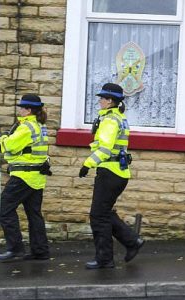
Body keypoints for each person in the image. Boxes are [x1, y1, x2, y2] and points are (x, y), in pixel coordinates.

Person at [79, 82, 144, 269]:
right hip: (118, 172)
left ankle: (104, 259)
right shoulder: (118, 117)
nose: (99, 101)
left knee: (98, 216)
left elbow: (105, 149)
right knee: (104, 213)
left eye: (102, 98)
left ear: (110, 101)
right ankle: (132, 242)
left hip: (109, 172)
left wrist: (87, 164)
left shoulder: (109, 120)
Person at [0, 94, 51, 261]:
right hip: (36, 177)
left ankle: (15, 249)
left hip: (23, 176)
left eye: (21, 107)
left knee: (5, 209)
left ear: (28, 110)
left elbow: (9, 146)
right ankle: (40, 250)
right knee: (34, 213)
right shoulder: (40, 126)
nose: (19, 109)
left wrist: (4, 136)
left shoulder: (26, 127)